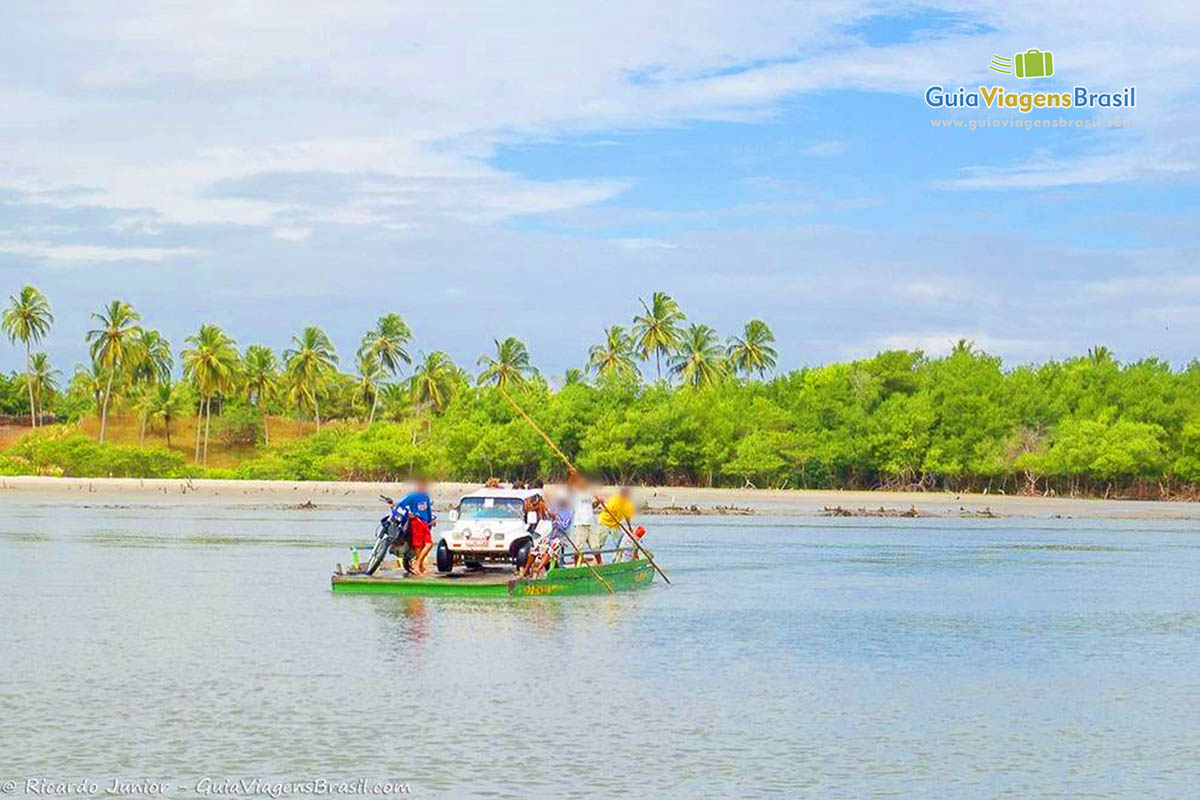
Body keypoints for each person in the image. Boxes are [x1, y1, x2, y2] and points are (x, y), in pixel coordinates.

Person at [523, 492, 572, 577]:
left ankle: (538, 569)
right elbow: (546, 515)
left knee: (549, 550)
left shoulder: (569, 511)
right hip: (552, 536)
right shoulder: (555, 507)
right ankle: (526, 570)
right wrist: (549, 514)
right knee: (535, 549)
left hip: (561, 538)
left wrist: (556, 517)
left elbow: (564, 527)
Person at [395, 479, 436, 575]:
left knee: (428, 544)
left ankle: (418, 564)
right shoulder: (412, 496)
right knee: (418, 545)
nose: (423, 487)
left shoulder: (426, 496)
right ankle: (419, 566)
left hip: (425, 523)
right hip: (416, 522)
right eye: (421, 485)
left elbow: (428, 510)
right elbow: (401, 505)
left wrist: (431, 520)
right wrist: (408, 514)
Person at [567, 468, 601, 566]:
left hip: (591, 522)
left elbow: (592, 506)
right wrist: (572, 475)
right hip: (580, 522)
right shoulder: (576, 494)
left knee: (595, 546)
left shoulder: (588, 493)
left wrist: (597, 503)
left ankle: (600, 564)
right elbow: (569, 488)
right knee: (578, 547)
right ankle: (576, 566)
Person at [597, 487, 636, 561]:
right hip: (605, 522)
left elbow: (627, 516)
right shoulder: (615, 500)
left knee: (620, 544)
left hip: (615, 525)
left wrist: (630, 528)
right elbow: (608, 508)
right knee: (599, 543)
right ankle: (597, 560)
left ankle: (617, 560)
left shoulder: (627, 504)